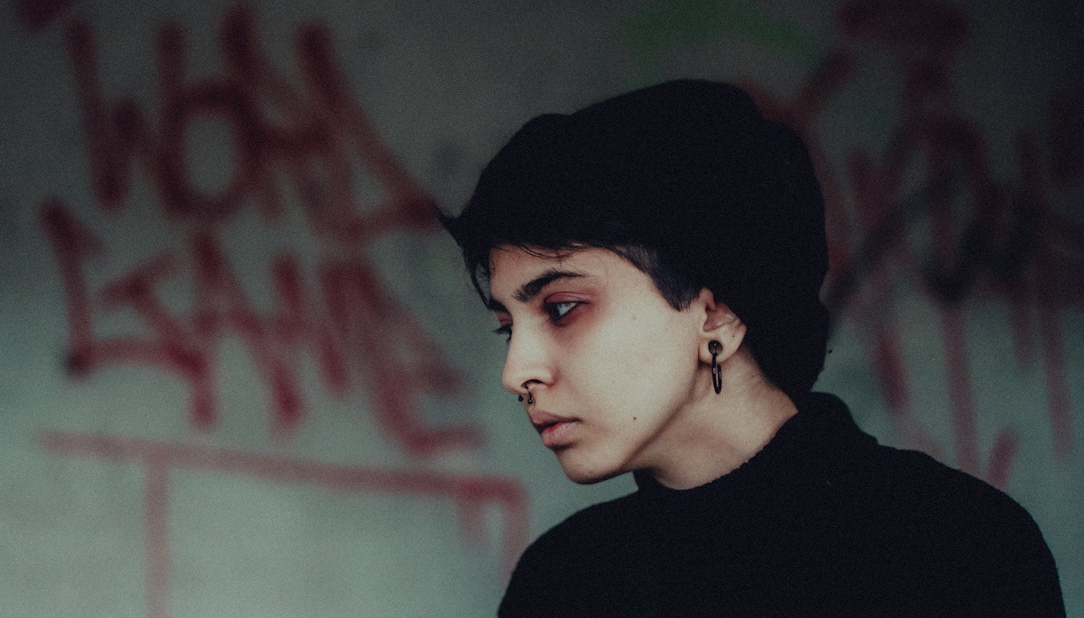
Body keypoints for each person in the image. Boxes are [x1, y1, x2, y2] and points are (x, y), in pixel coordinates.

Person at [440, 80, 1064, 617]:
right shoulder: (564, 586)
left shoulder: (954, 550)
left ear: (717, 314)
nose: (517, 371)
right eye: (507, 326)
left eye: (562, 309)